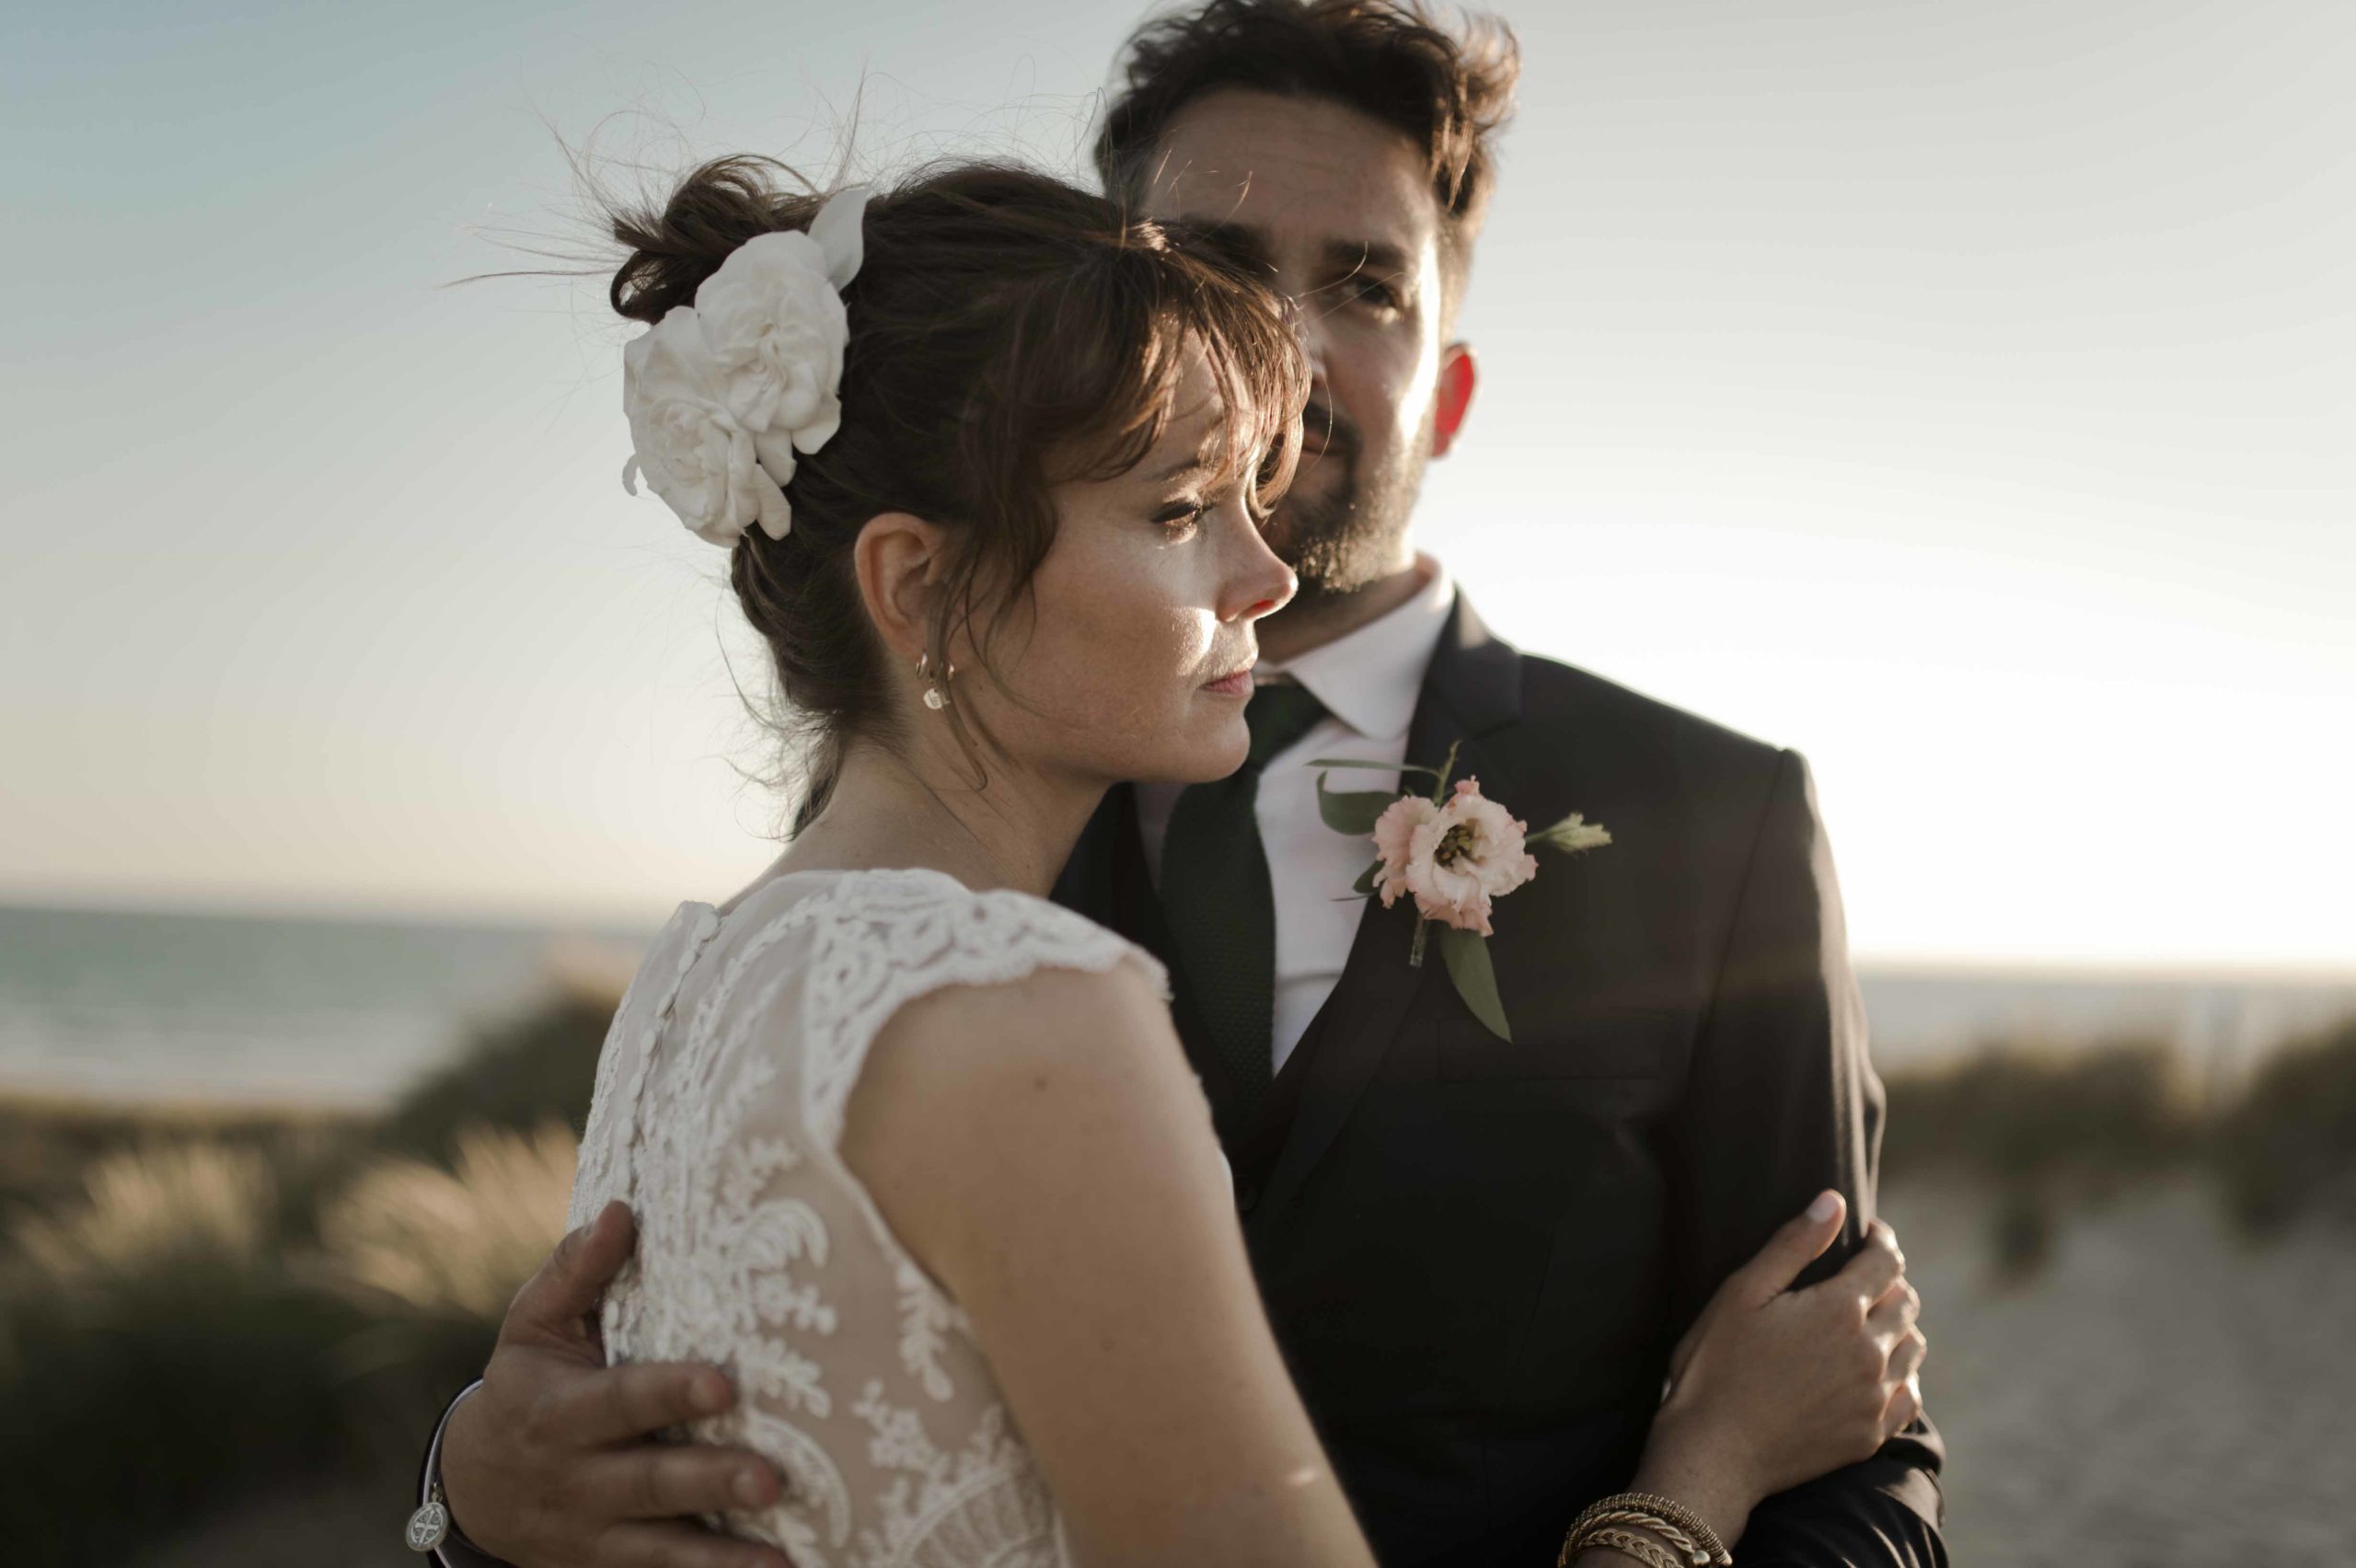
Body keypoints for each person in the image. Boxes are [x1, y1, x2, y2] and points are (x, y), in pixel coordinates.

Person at [419, 5, 1944, 1565]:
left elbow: (1841, 1442)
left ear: (1452, 392)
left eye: (1365, 286)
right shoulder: (917, 859)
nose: (1278, 348)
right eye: (1216, 269)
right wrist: (482, 1487)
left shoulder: (1716, 821)